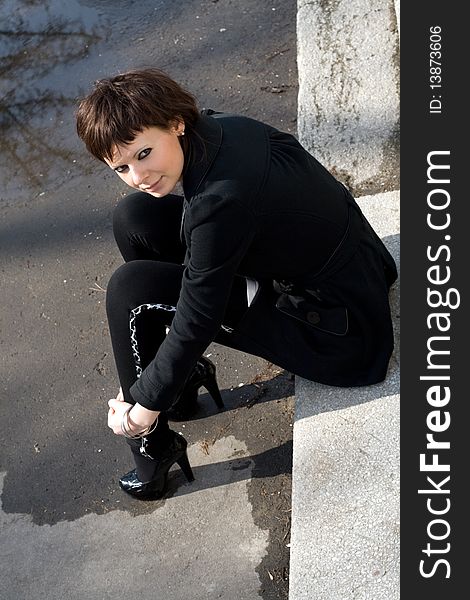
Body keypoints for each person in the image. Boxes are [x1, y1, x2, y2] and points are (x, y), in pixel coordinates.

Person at [75, 68, 397, 500]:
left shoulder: (220, 200)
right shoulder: (221, 129)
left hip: (340, 332)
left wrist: (140, 406)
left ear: (175, 123)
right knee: (135, 218)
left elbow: (197, 314)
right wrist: (152, 377)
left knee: (131, 291)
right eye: (121, 167)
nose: (139, 175)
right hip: (350, 269)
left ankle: (150, 446)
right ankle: (180, 382)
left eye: (145, 152)